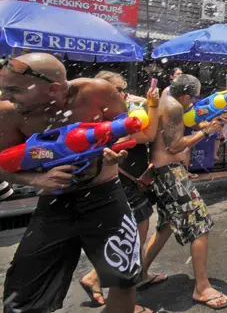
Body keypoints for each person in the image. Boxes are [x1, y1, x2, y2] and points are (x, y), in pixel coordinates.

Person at [0, 53, 158, 313]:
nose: (7, 96)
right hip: (54, 202)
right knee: (23, 295)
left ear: (52, 88)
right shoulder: (8, 112)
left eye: (14, 90)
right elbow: (2, 164)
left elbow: (123, 130)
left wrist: (114, 153)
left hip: (105, 196)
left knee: (125, 279)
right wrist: (37, 178)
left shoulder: (97, 92)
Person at [140, 74, 227, 310]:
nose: (195, 102)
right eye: (194, 97)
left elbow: (186, 125)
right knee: (201, 225)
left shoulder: (166, 96)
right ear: (184, 95)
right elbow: (174, 145)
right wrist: (207, 132)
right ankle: (201, 287)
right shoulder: (172, 107)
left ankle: (140, 274)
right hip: (170, 174)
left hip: (163, 173)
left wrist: (212, 122)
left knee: (164, 228)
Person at [79, 71, 165, 307]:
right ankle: (125, 300)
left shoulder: (109, 111)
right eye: (118, 90)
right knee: (132, 239)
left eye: (124, 89)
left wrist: (140, 100)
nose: (125, 94)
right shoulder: (110, 122)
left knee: (129, 237)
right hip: (122, 183)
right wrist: (154, 106)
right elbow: (147, 135)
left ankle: (98, 278)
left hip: (125, 181)